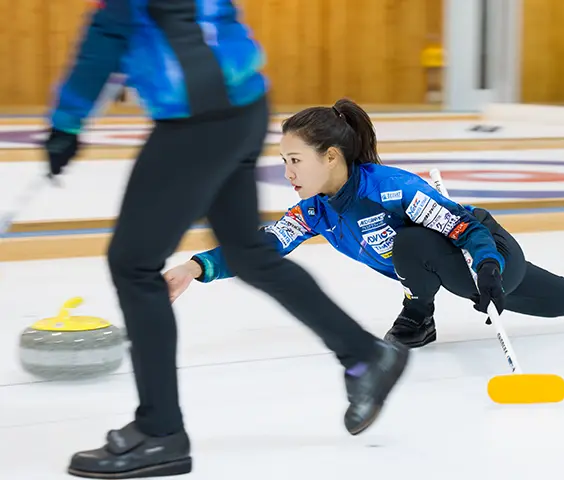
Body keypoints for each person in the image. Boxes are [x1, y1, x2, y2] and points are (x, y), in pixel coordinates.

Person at [43, 3, 409, 479]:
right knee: (248, 253)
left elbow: (106, 37)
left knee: (132, 263)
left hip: (198, 120)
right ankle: (365, 355)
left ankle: (160, 433)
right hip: (242, 108)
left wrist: (67, 122)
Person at [164, 98, 564, 352]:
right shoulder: (315, 210)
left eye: (295, 160)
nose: (287, 172)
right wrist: (198, 265)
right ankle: (419, 316)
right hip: (439, 266)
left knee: (559, 297)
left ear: (331, 157)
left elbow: (467, 232)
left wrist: (489, 272)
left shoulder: (393, 189)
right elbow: (262, 246)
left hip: (484, 255)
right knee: (412, 248)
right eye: (283, 160)